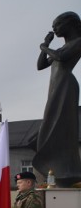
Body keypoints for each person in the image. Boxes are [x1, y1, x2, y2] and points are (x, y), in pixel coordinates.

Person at [33, 11, 81, 187]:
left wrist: (44, 48)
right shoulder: (59, 48)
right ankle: (57, 167)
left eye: (57, 25)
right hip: (56, 88)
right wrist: (45, 44)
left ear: (70, 24)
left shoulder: (78, 42)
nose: (55, 28)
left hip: (66, 86)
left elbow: (60, 57)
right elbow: (40, 65)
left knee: (60, 127)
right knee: (49, 124)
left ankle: (67, 170)